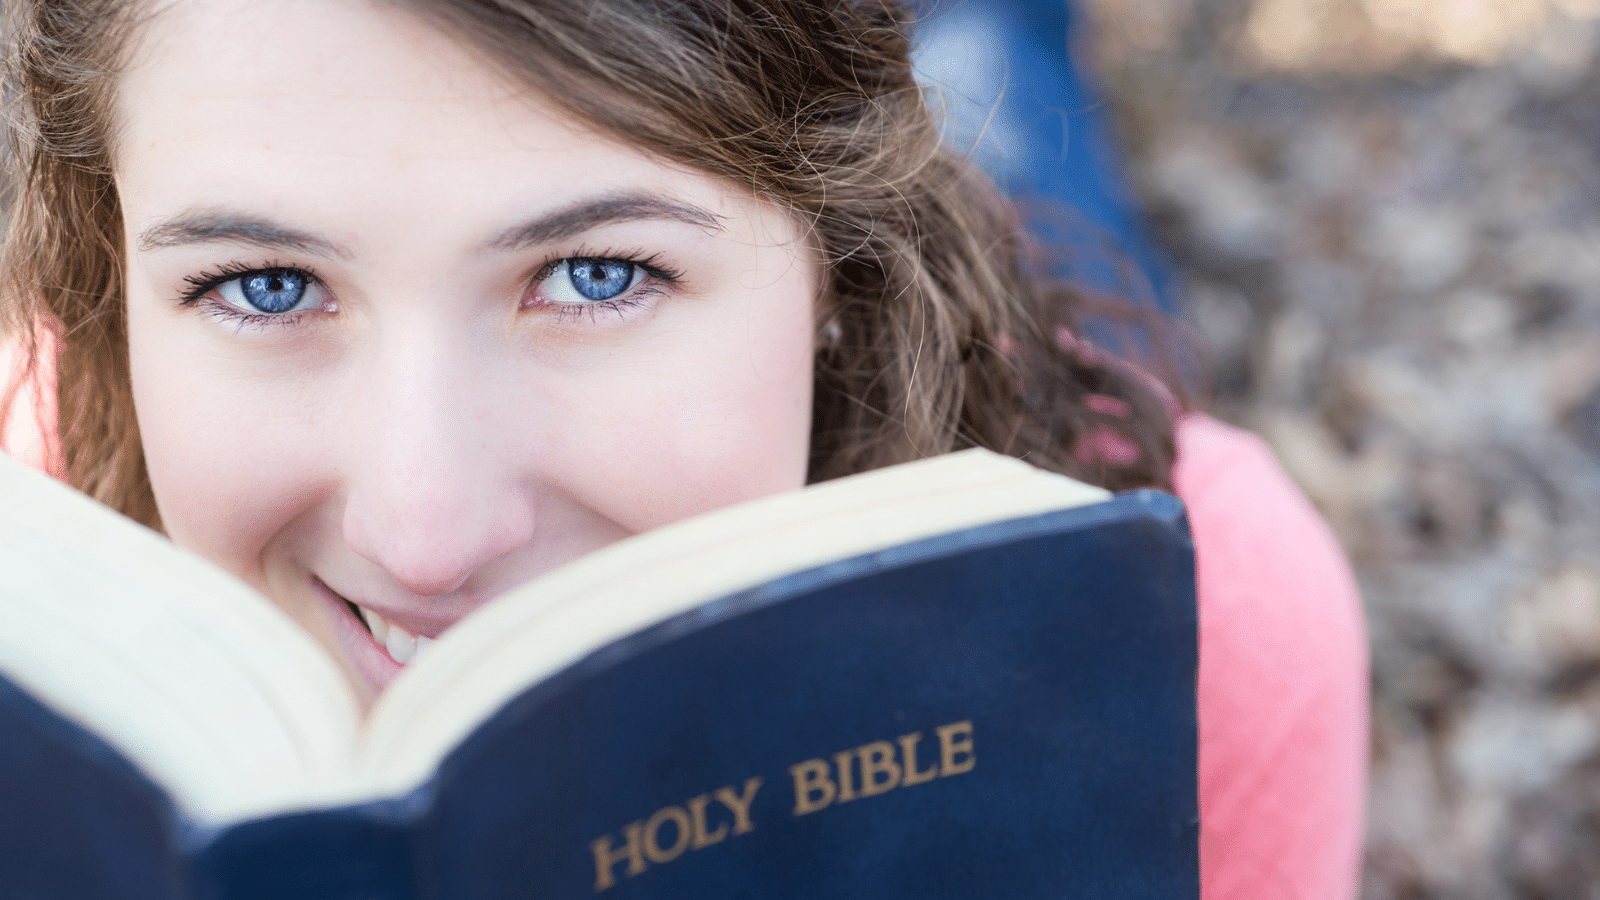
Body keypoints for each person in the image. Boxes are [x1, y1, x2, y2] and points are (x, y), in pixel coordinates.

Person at [0, 1, 1367, 897]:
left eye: (597, 274)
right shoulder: (37, 561)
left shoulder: (1197, 620)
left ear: (837, 263)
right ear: (106, 268)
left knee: (1032, 170)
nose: (425, 535)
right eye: (267, 286)